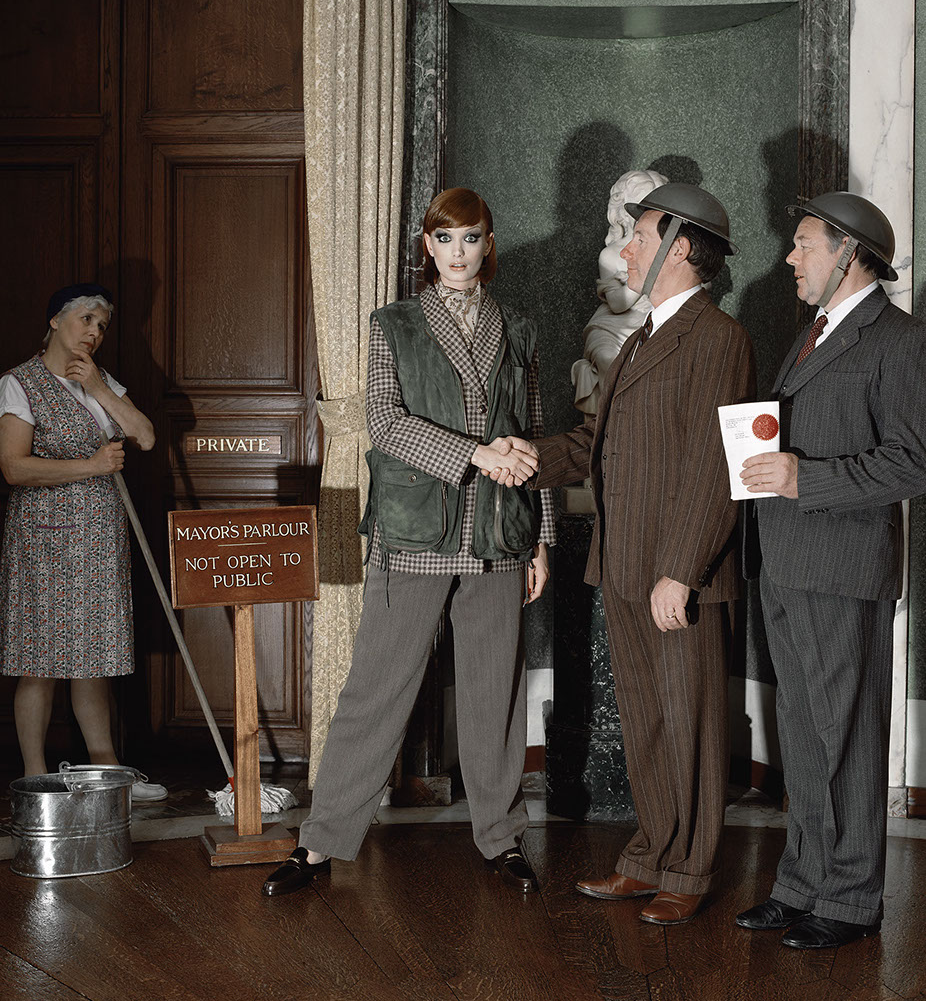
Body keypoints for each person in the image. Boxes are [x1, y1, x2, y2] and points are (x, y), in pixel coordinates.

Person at [262, 187, 555, 897]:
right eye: (445, 239)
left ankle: (501, 839)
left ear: (489, 244)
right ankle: (319, 844)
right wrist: (476, 455)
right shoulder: (392, 324)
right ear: (428, 246)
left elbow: (535, 436)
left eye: (471, 238)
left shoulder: (519, 328)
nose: (458, 252)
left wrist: (541, 539)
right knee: (376, 689)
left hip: (499, 535)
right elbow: (386, 424)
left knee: (494, 697)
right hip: (414, 532)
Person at [494, 184, 755, 924]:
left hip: (677, 575)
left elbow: (715, 466)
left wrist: (684, 571)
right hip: (625, 565)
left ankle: (689, 872)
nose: (626, 251)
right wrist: (525, 458)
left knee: (689, 724)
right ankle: (649, 858)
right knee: (646, 723)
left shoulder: (719, 338)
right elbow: (593, 446)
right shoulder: (642, 339)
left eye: (640, 237)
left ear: (680, 248)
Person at [736, 192, 926, 949]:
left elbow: (913, 461)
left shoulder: (899, 339)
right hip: (786, 562)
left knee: (846, 735)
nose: (790, 257)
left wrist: (802, 478)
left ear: (849, 253)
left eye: (803, 244)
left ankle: (849, 901)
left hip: (844, 568)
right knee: (806, 735)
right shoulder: (814, 331)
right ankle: (802, 884)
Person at [0, 284, 165, 801]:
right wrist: (91, 465)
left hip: (98, 537)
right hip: (42, 538)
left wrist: (97, 387)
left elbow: (145, 436)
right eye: (86, 319)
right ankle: (36, 778)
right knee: (38, 660)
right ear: (55, 320)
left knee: (94, 660)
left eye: (102, 326)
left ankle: (108, 774)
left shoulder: (101, 380)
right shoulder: (19, 383)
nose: (94, 332)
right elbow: (13, 467)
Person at [571, 168, 667, 416]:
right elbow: (617, 304)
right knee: (608, 359)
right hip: (613, 328)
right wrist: (648, 272)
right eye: (642, 208)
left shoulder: (668, 251)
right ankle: (615, 421)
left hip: (654, 321)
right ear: (624, 210)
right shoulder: (611, 254)